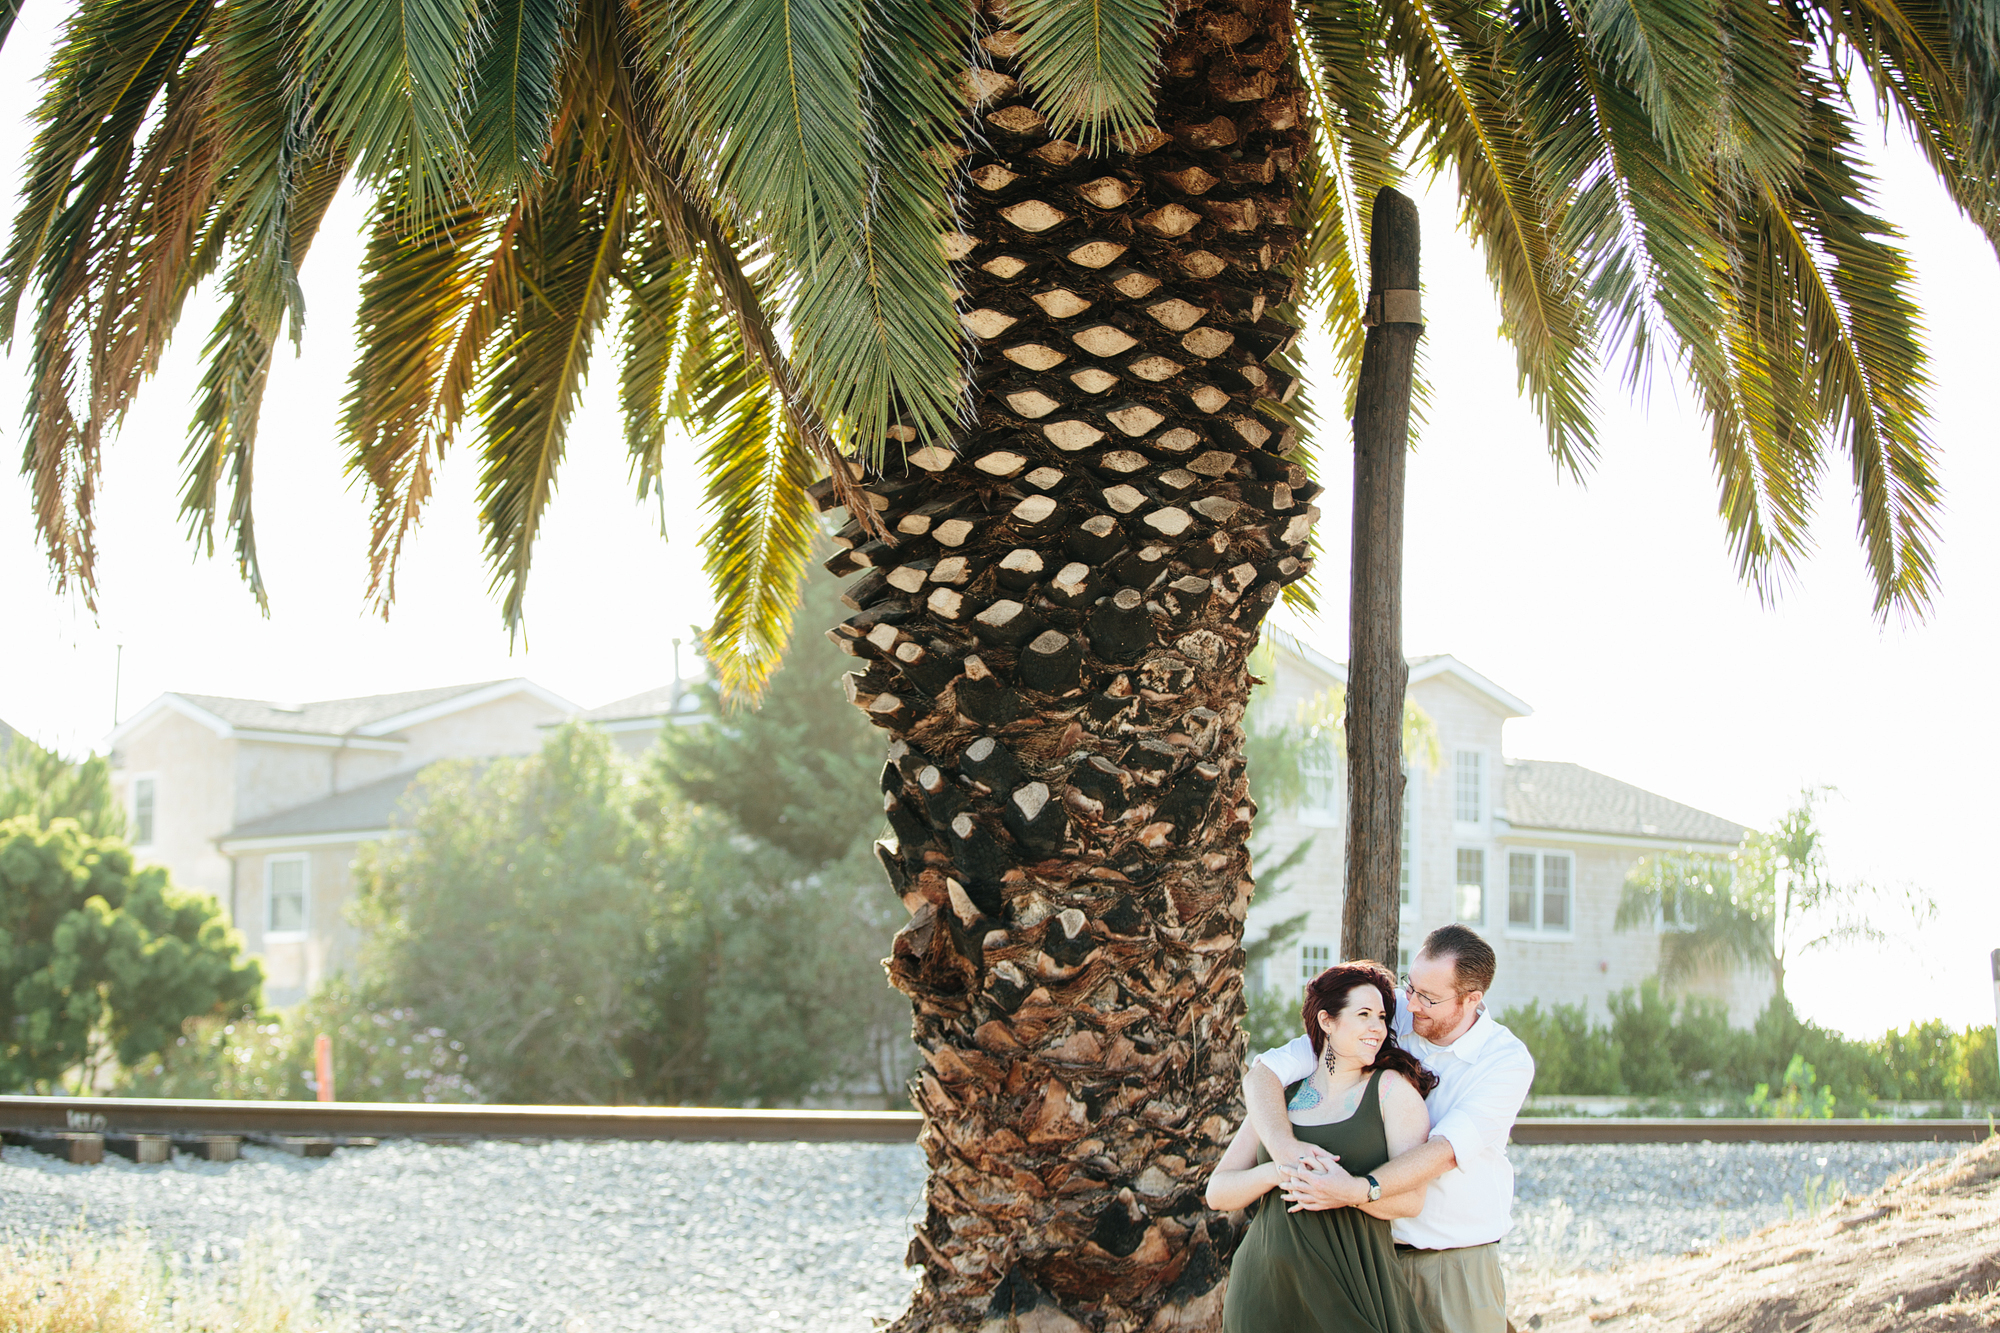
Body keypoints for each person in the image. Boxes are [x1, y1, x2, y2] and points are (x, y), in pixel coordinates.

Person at [1242, 925, 1535, 1333]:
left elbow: (1444, 1152)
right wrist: (1285, 1149)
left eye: (1429, 998)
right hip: (1368, 1259)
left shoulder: (1505, 1061)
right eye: (1410, 986)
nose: (1411, 1005)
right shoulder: (1384, 1012)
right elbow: (1264, 1074)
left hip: (1451, 1263)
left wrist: (1357, 1189)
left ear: (1472, 999)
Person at [1205, 961, 1438, 1333]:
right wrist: (1278, 1171)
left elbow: (1412, 1201)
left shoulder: (1391, 1090)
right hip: (1264, 1288)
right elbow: (1218, 1192)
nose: (1377, 1028)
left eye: (1381, 1017)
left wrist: (1345, 1192)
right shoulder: (1283, 1096)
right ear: (1327, 1021)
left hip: (1351, 1284)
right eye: (1363, 1015)